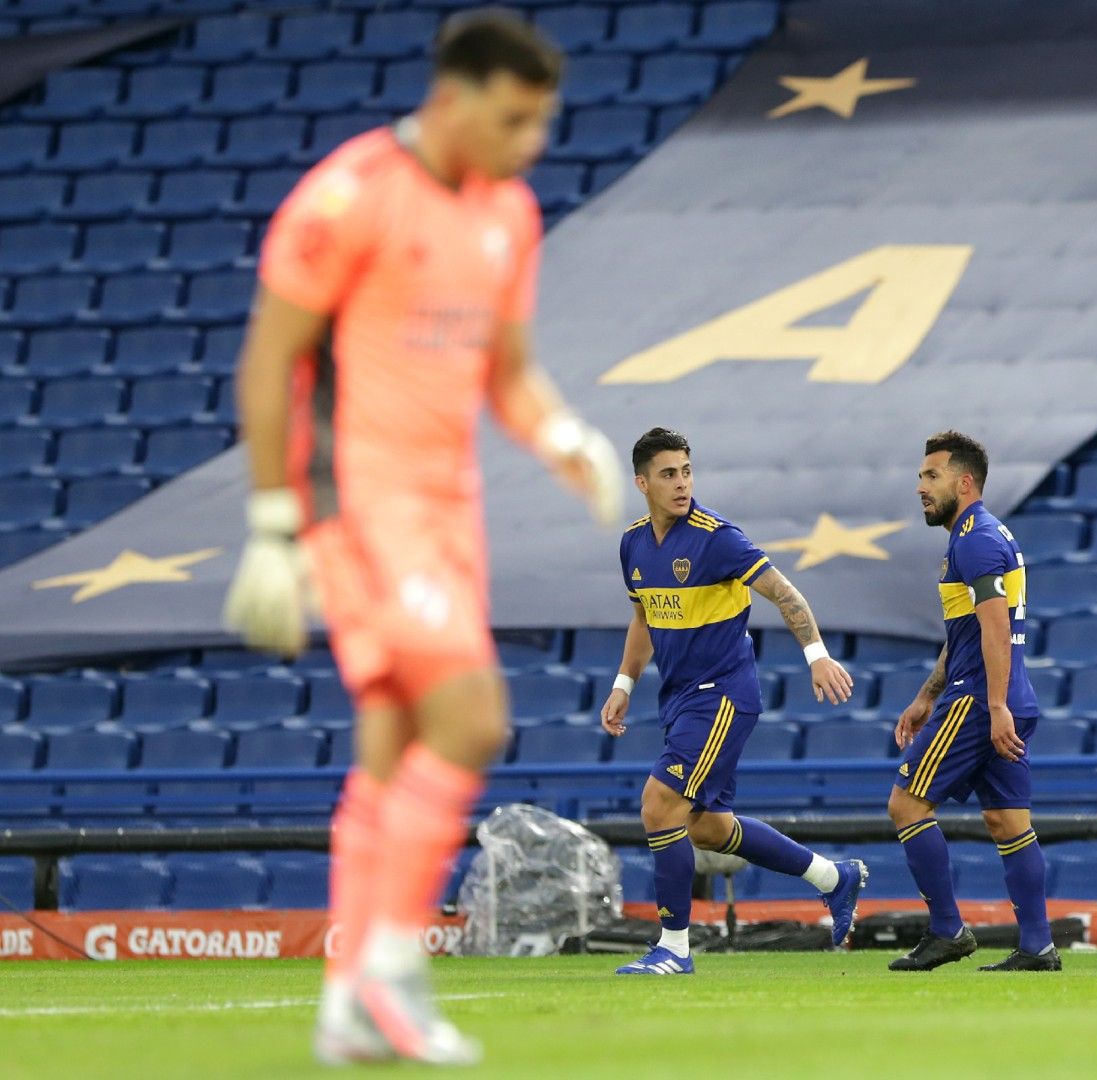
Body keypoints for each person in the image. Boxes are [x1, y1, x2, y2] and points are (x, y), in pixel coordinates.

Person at [222, 10, 620, 1064]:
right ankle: (398, 967)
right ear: (452, 99)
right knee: (472, 715)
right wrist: (273, 523)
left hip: (450, 509)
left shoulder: (512, 214)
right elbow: (270, 363)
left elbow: (507, 372)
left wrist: (567, 438)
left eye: (542, 122)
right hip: (358, 500)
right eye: (515, 118)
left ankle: (346, 999)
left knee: (394, 743)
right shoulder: (351, 195)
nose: (531, 142)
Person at [601, 427, 867, 975]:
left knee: (658, 805)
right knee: (706, 826)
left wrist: (816, 654)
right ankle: (831, 877)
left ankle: (673, 950)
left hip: (722, 694)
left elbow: (784, 592)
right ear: (642, 482)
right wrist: (623, 685)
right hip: (679, 698)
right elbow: (644, 616)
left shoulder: (716, 537)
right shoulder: (632, 544)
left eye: (687, 471)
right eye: (669, 474)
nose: (681, 484)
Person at [886, 431, 1057, 973]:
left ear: (964, 482)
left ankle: (947, 931)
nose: (920, 487)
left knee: (907, 805)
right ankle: (1037, 946)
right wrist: (924, 696)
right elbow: (965, 630)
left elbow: (994, 627)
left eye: (931, 476)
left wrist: (995, 705)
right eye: (920, 476)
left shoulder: (974, 540)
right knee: (1009, 823)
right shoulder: (981, 535)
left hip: (981, 700)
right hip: (1001, 697)